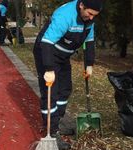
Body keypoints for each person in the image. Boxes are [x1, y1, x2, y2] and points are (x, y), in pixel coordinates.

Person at [33, 0, 103, 149]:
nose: (91, 18)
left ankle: (57, 123)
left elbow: (89, 41)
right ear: (81, 5)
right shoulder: (65, 16)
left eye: (94, 16)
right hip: (46, 52)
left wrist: (89, 64)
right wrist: (49, 68)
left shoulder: (89, 20)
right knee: (51, 92)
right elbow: (46, 42)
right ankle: (51, 132)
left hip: (63, 56)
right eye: (90, 14)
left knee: (65, 90)